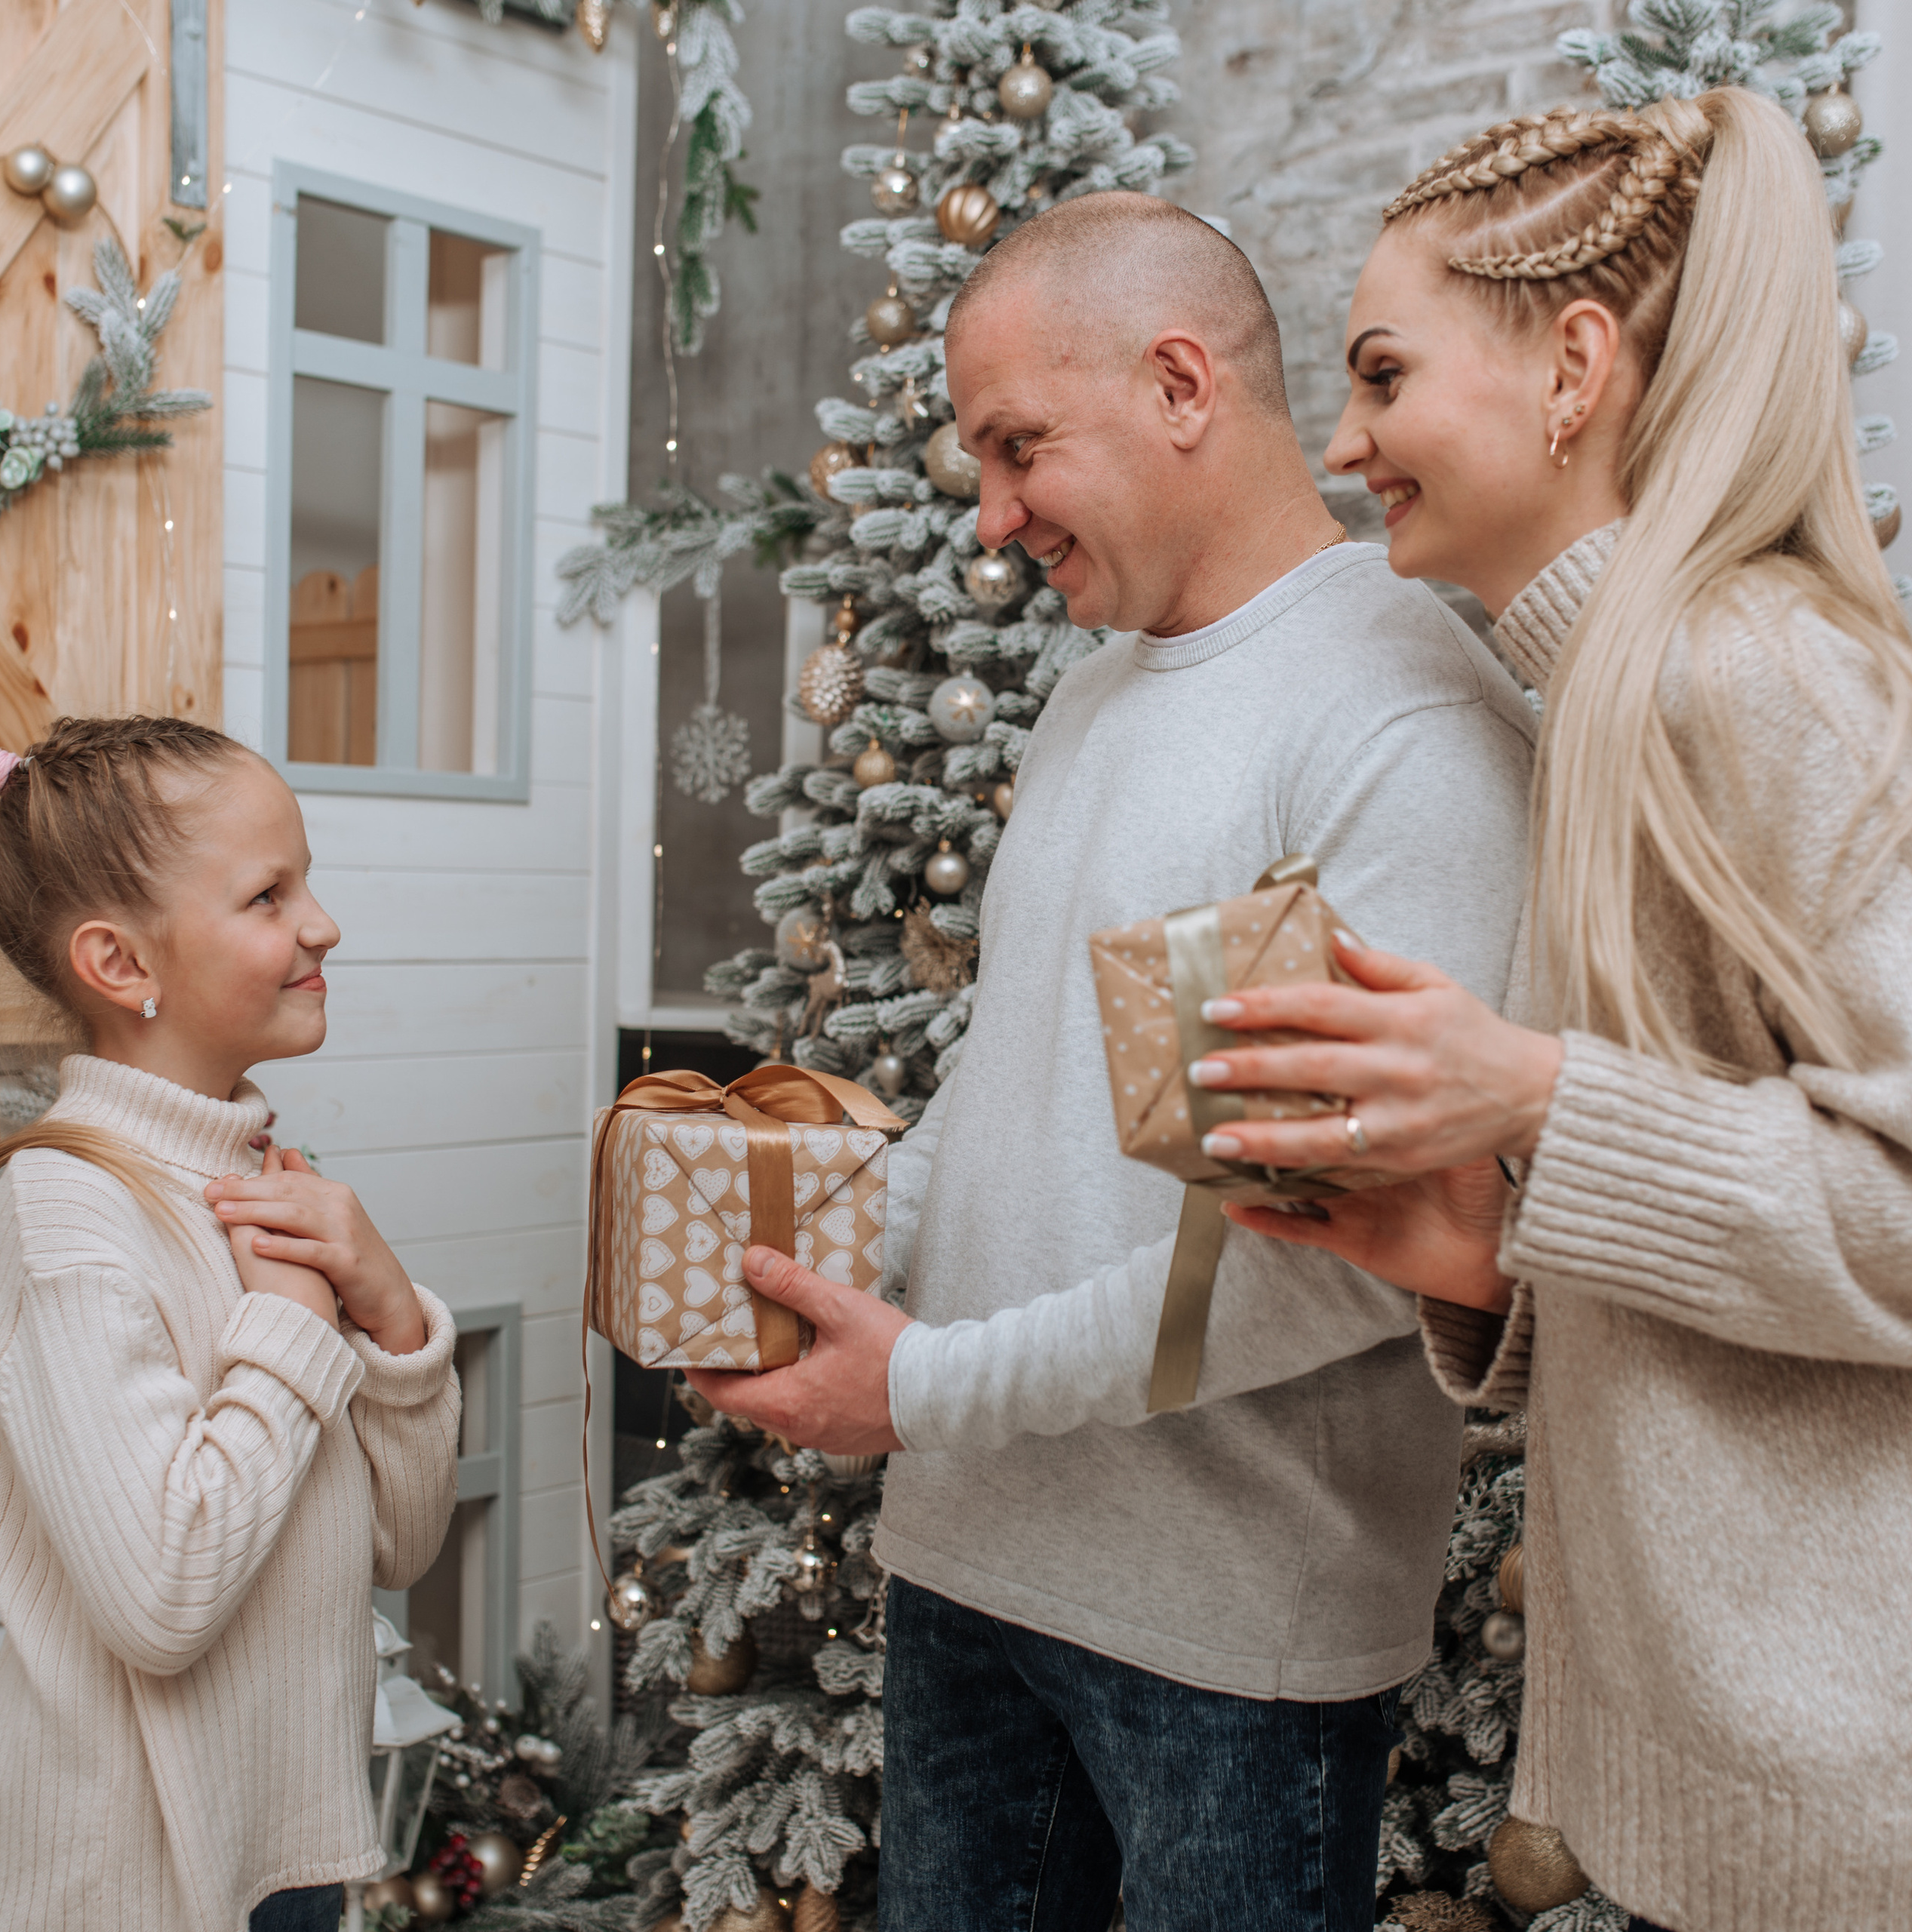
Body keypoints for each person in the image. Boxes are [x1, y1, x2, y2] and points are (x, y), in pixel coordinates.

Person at [685, 192, 1536, 1929]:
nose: (988, 519)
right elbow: (1014, 1084)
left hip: (1225, 1642)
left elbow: (1341, 1261)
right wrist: (812, 1237)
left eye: (1015, 447)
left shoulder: (1398, 720)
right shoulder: (1093, 693)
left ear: (1175, 385)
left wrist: (916, 1388)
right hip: (970, 1567)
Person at [1183, 92, 1912, 1932]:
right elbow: (1736, 1238)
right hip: (1714, 1784)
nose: (1342, 446)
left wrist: (1527, 1091)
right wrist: (1478, 1263)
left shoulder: (1745, 678)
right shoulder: (1599, 693)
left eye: (1380, 373)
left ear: (1572, 365)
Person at [0, 716, 460, 1932]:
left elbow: (397, 1550)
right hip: (131, 1891)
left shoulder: (259, 1185)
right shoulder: (64, 1214)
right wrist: (300, 1324)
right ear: (122, 965)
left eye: (307, 879)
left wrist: (393, 1321)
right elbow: (163, 1598)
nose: (322, 925)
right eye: (267, 895)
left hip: (285, 1853)